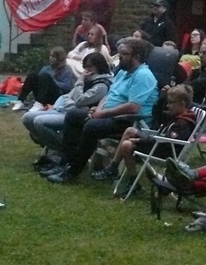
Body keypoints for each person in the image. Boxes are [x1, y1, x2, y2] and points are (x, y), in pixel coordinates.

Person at [44, 37, 158, 184]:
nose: (120, 56)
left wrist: (101, 114)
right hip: (108, 115)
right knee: (74, 115)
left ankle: (72, 171)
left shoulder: (143, 76)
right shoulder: (123, 72)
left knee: (92, 126)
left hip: (129, 120)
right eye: (120, 53)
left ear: (136, 57)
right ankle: (64, 162)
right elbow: (109, 95)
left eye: (124, 54)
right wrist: (98, 110)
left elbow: (133, 106)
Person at [93, 83, 198, 191]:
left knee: (127, 145)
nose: (168, 106)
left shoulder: (183, 123)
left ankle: (133, 182)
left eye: (171, 103)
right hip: (158, 145)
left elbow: (168, 142)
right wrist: (161, 98)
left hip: (165, 152)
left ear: (182, 104)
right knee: (130, 131)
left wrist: (140, 140)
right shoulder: (176, 116)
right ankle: (113, 167)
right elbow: (157, 115)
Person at [26, 52, 115, 160]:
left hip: (77, 117)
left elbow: (79, 100)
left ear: (99, 66)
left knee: (39, 122)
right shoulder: (88, 79)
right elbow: (68, 96)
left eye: (90, 66)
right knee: (27, 118)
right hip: (65, 109)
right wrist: (70, 103)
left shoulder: (101, 85)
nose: (86, 70)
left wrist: (80, 81)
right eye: (85, 66)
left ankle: (63, 151)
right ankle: (55, 146)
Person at [12, 45, 77, 112]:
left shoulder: (67, 70)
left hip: (57, 96)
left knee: (45, 76)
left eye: (53, 56)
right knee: (33, 75)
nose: (50, 58)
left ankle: (39, 104)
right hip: (43, 93)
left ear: (59, 58)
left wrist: (51, 81)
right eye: (50, 56)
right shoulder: (46, 68)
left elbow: (67, 87)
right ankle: (20, 100)